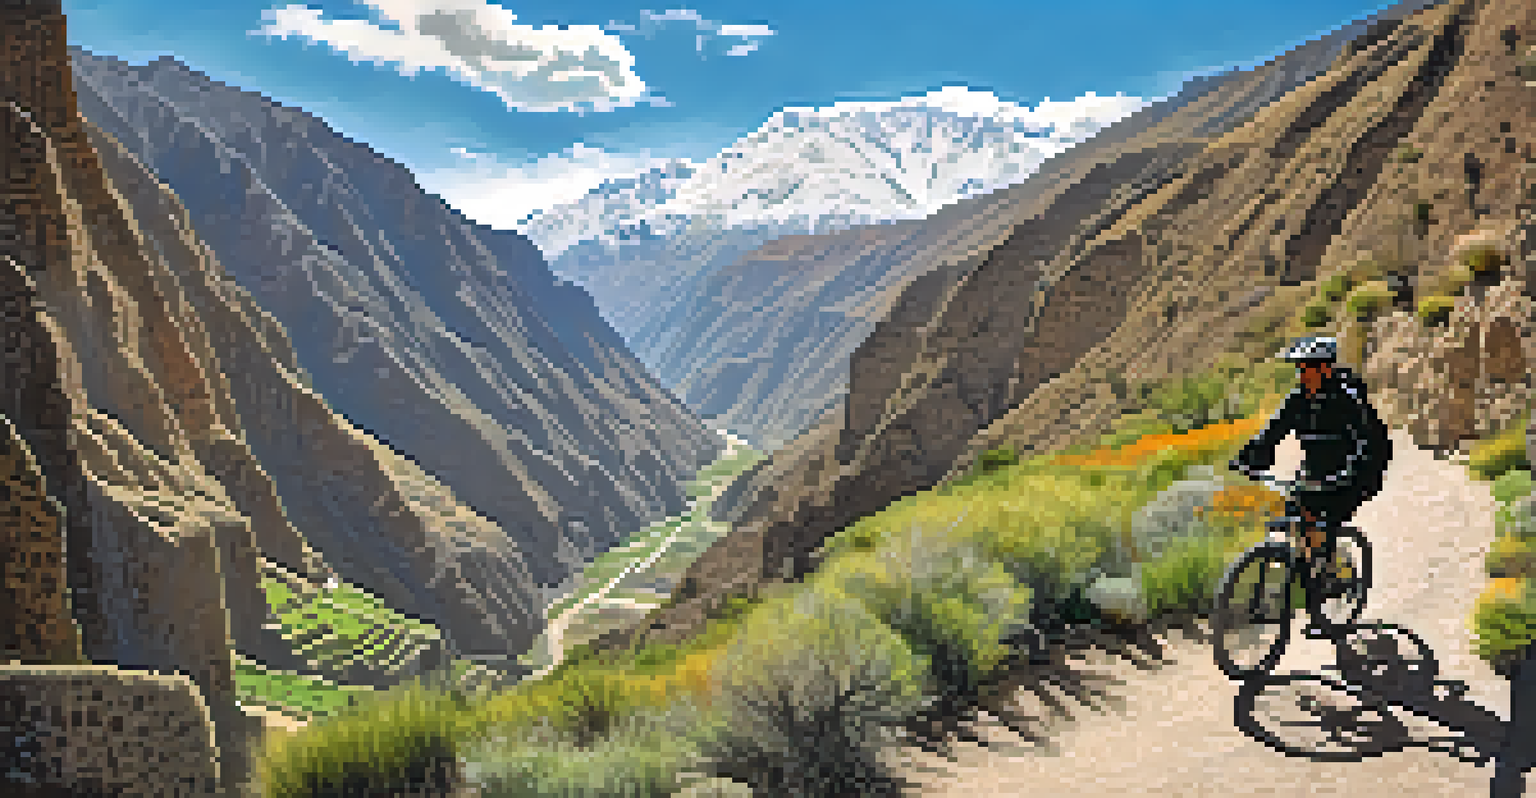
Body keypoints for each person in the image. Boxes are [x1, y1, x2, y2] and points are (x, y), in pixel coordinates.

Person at [1228, 336, 1393, 637]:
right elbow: (1272, 431)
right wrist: (1248, 459)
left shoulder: (1348, 400)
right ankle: (1308, 580)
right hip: (1315, 474)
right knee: (1298, 527)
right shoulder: (1298, 398)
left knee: (1325, 525)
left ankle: (1332, 589)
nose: (1303, 373)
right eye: (1301, 368)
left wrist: (1348, 475)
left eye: (1310, 367)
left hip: (1354, 476)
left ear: (1326, 369)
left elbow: (1368, 445)